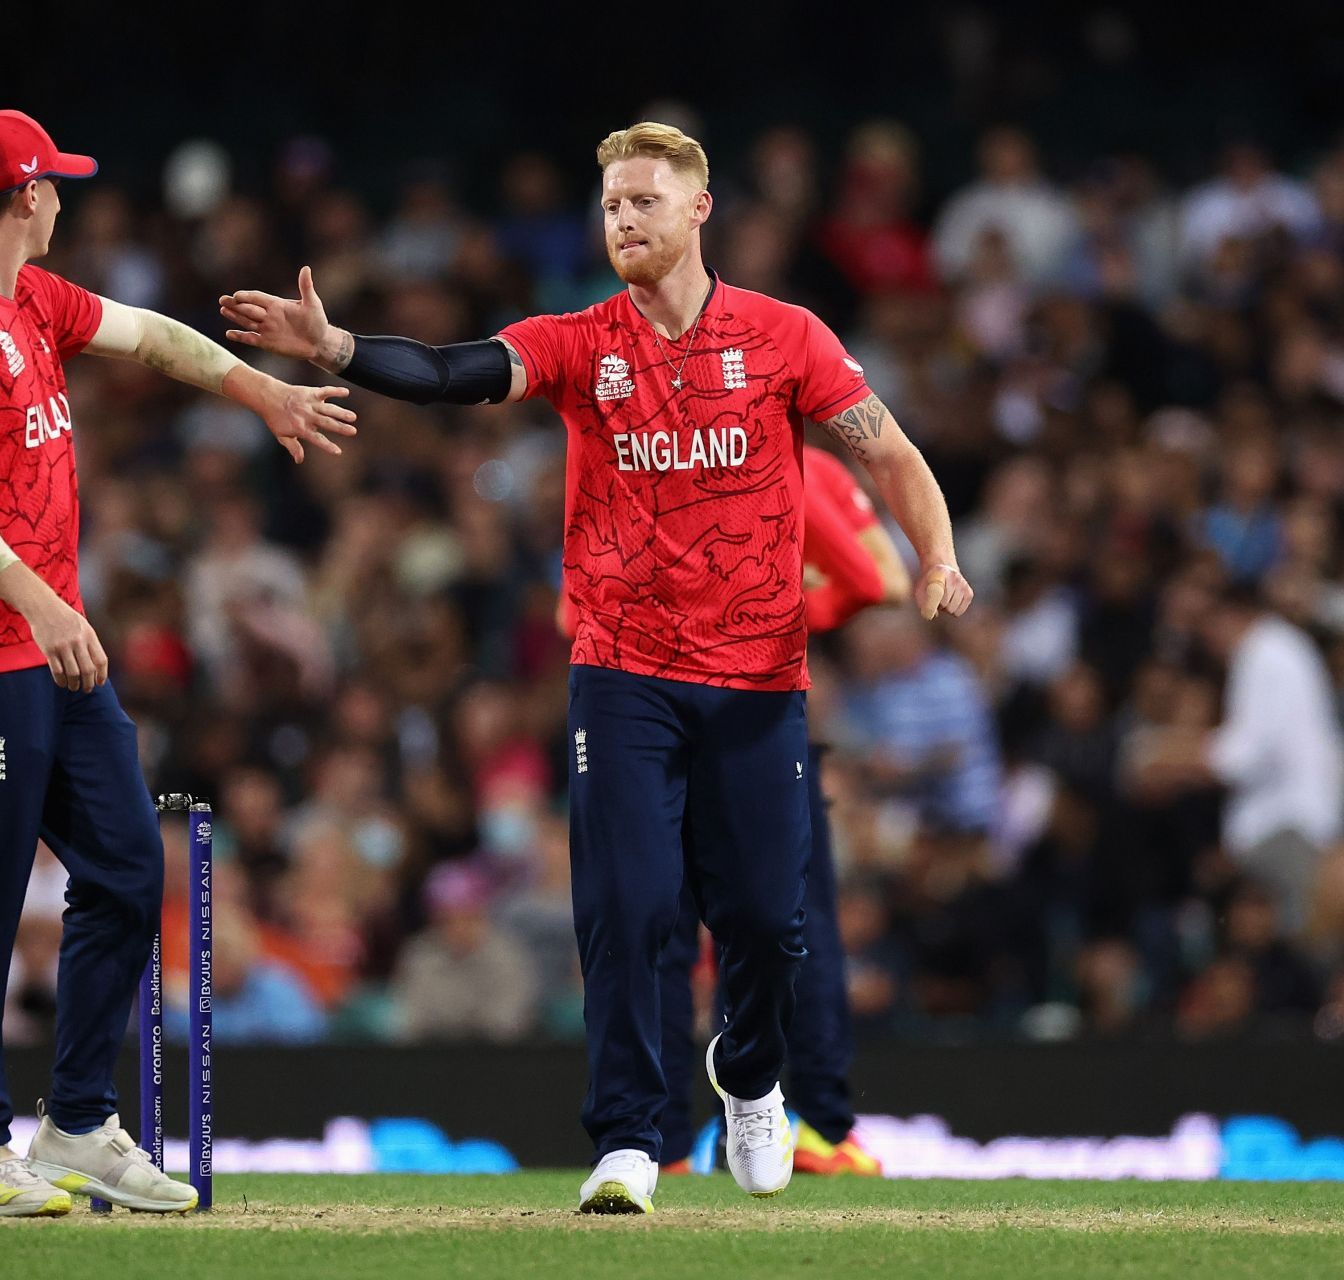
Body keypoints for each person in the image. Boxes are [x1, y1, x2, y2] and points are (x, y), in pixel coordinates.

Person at [221, 121, 972, 1212]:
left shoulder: (784, 337)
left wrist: (937, 555)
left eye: (643, 202)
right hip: (623, 670)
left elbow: (889, 451)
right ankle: (628, 1136)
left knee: (768, 917)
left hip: (760, 679)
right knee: (628, 905)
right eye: (611, 204)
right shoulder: (582, 342)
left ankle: (752, 1076)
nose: (622, 220)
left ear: (698, 209)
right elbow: (449, 372)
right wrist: (340, 352)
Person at [0, 109, 355, 1217]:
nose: (68, 200)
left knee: (129, 871)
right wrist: (42, 600)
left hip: (49, 647)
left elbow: (154, 338)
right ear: (31, 194)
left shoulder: (33, 300)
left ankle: (80, 1119)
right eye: (60, 185)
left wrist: (262, 391)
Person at [657, 446, 909, 1179]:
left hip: (739, 718)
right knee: (681, 928)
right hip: (690, 721)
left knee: (766, 924)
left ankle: (805, 1125)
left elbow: (885, 580)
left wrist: (757, 607)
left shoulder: (802, 468)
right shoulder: (660, 454)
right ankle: (675, 1139)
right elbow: (574, 604)